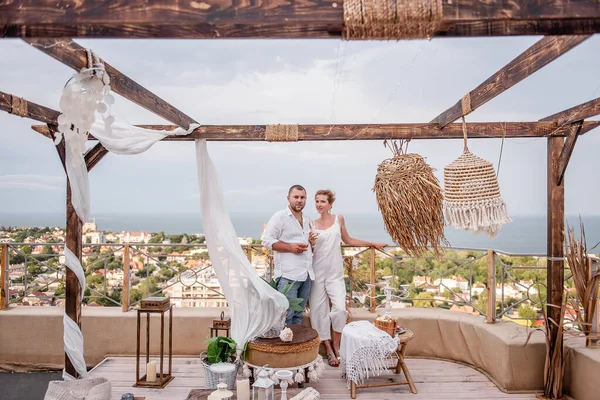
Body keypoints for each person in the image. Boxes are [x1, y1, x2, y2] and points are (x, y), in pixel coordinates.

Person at [309, 189, 386, 367]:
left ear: (330, 204)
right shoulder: (310, 224)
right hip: (317, 272)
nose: (319, 204)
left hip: (335, 273)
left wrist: (373, 243)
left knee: (340, 309)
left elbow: (348, 240)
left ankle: (337, 345)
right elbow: (309, 249)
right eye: (317, 201)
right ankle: (328, 349)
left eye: (323, 201)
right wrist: (311, 243)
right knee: (318, 312)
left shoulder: (339, 219)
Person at [263, 185, 315, 325]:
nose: (299, 200)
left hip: (306, 274)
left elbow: (309, 243)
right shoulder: (279, 217)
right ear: (288, 198)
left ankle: (294, 346)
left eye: (302, 197)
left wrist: (312, 242)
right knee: (285, 316)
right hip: (288, 276)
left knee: (299, 315)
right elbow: (267, 241)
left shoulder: (307, 219)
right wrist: (290, 248)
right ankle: (283, 347)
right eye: (296, 197)